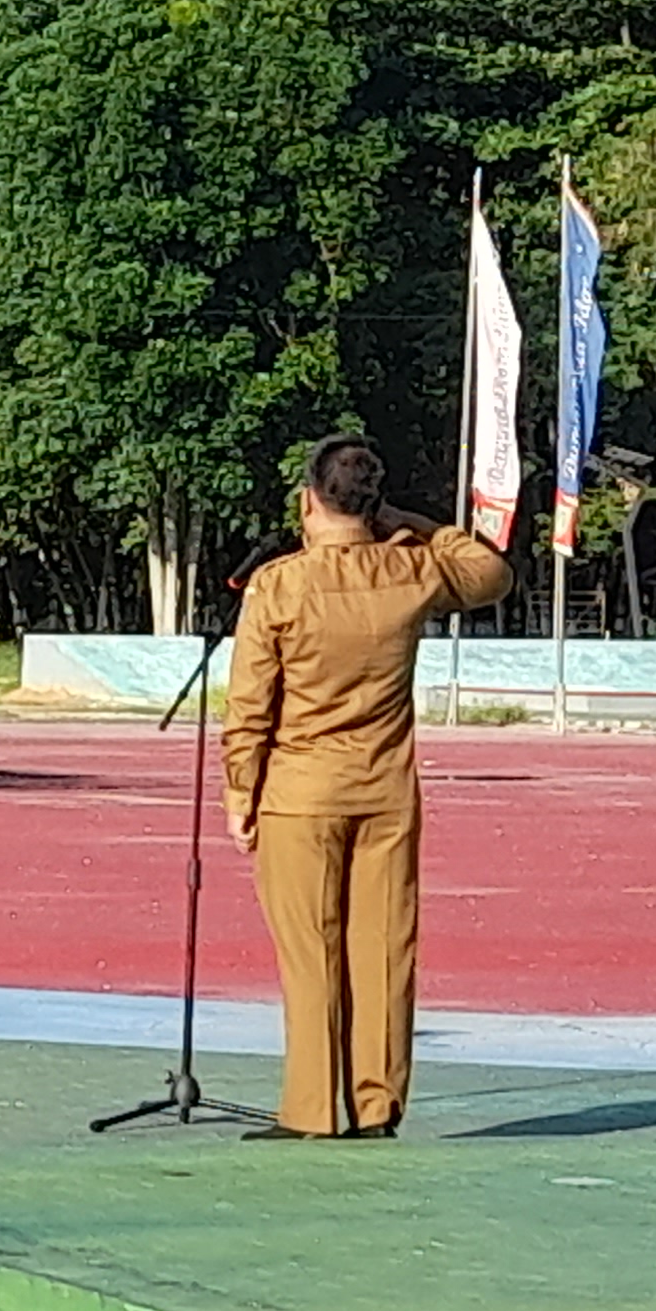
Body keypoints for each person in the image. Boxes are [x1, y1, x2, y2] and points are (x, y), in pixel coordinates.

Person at [222, 435, 513, 1141]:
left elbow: (250, 704)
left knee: (310, 951)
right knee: (384, 949)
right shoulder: (409, 570)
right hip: (385, 787)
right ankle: (378, 1104)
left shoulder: (279, 584)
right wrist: (415, 523)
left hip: (300, 789)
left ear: (306, 500)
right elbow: (491, 574)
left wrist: (240, 793)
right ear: (373, 504)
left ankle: (313, 1108)